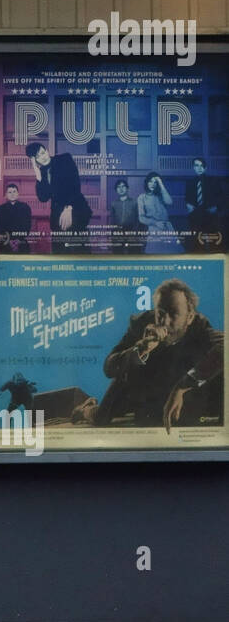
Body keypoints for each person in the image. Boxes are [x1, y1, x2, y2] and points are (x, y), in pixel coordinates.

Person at [74, 279, 223, 431]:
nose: (165, 321)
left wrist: (182, 387)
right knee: (100, 418)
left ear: (190, 317)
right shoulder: (140, 323)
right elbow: (109, 368)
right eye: (161, 313)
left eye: (174, 314)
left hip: (173, 385)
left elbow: (225, 348)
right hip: (137, 386)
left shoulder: (200, 327)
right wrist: (140, 349)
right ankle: (85, 409)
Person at [25, 139, 91, 249]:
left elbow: (75, 184)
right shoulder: (42, 173)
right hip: (57, 218)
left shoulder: (64, 159)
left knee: (79, 250)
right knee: (60, 252)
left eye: (43, 152)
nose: (43, 157)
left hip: (75, 210)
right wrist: (38, 175)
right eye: (38, 157)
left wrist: (69, 208)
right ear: (34, 160)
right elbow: (43, 197)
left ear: (47, 151)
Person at [137, 172, 181, 253]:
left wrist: (160, 183)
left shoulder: (161, 195)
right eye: (150, 181)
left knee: (172, 253)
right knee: (155, 253)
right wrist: (155, 223)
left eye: (155, 182)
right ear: (146, 183)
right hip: (154, 227)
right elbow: (141, 218)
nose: (153, 184)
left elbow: (170, 202)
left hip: (167, 227)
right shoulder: (142, 197)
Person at [185, 157, 221, 248]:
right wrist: (188, 204)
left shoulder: (213, 181)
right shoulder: (190, 182)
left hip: (210, 214)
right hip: (195, 214)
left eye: (202, 166)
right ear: (193, 167)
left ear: (206, 168)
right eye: (197, 165)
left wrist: (216, 207)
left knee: (213, 242)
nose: (199, 168)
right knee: (196, 242)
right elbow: (187, 198)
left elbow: (222, 197)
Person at [0, 183, 32, 252]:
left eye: (14, 191)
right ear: (6, 195)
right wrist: (9, 240)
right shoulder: (0, 209)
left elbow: (27, 226)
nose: (12, 194)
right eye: (10, 192)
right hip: (6, 242)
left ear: (18, 194)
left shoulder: (25, 207)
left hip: (22, 242)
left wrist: (18, 240)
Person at [109, 178, 141, 251]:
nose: (121, 189)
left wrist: (135, 232)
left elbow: (138, 219)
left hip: (132, 232)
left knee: (133, 254)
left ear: (127, 188)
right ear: (116, 190)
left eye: (123, 186)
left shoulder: (134, 202)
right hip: (117, 232)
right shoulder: (113, 203)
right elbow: (112, 220)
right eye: (118, 187)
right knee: (117, 254)